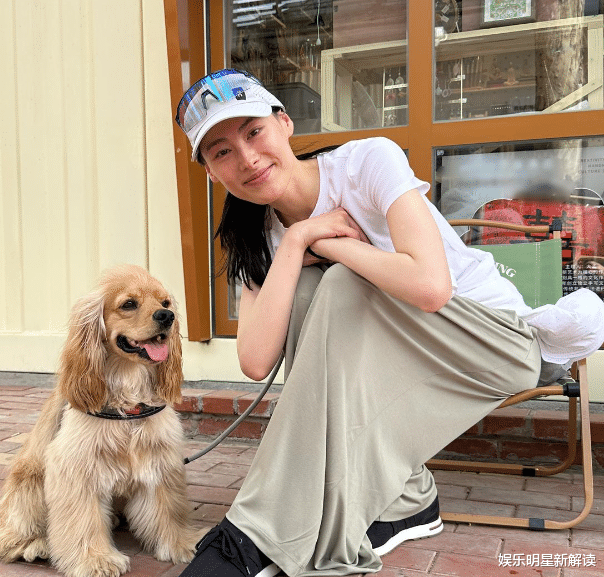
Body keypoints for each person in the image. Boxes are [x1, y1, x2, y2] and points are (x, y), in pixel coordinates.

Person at [174, 69, 604, 577]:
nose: (247, 158)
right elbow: (254, 360)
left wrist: (331, 245)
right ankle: (407, 498)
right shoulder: (255, 232)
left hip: (497, 341)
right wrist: (295, 242)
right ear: (210, 171)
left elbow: (431, 287)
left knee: (339, 281)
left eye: (254, 131)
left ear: (284, 123)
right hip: (412, 359)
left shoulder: (365, 163)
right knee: (310, 285)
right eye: (222, 151)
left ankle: (253, 535)